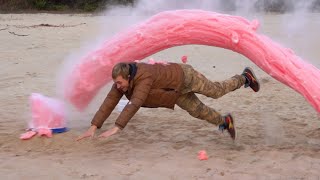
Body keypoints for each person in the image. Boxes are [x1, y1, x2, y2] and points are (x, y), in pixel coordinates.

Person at [76, 61, 260, 141]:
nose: (117, 87)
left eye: (119, 83)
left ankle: (245, 77)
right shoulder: (122, 82)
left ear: (127, 77)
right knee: (198, 111)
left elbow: (136, 102)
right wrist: (94, 126)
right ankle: (225, 122)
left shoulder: (143, 75)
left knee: (216, 92)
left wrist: (117, 127)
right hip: (173, 92)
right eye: (115, 83)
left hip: (184, 76)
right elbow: (109, 101)